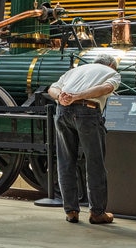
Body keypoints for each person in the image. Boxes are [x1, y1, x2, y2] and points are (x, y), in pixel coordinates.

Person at [47, 54, 121, 224]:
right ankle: (97, 212)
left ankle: (71, 211)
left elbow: (52, 88)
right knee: (95, 163)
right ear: (111, 64)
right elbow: (105, 89)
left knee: (65, 162)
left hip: (62, 112)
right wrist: (78, 96)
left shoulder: (75, 70)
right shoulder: (112, 73)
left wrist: (61, 97)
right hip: (87, 112)